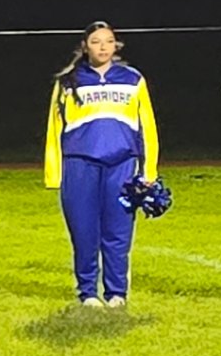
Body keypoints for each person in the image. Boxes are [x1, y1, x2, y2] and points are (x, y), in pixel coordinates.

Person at [43, 22, 161, 308]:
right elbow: (55, 128)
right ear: (85, 46)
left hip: (121, 165)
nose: (103, 47)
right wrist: (54, 173)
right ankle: (88, 293)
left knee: (118, 232)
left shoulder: (132, 79)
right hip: (79, 165)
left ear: (116, 46)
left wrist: (148, 172)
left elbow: (147, 127)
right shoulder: (69, 80)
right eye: (96, 42)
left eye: (108, 41)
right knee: (84, 232)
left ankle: (116, 293)